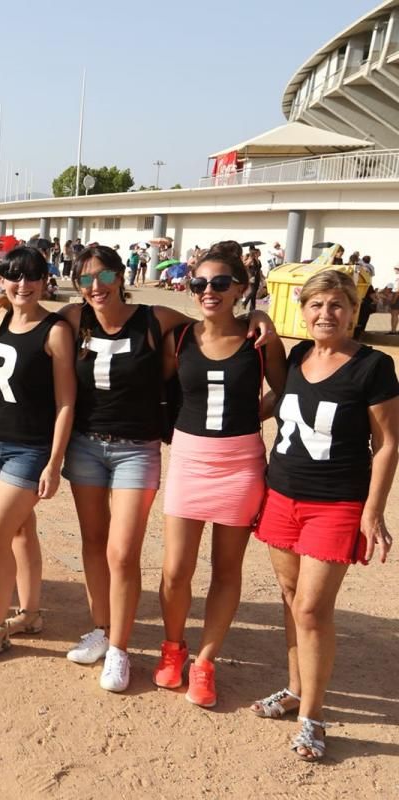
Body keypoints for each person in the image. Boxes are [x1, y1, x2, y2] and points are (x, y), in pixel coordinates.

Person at [0, 243, 276, 692]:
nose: (97, 287)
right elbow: (32, 306)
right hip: (87, 447)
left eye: (106, 277)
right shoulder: (75, 319)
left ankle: (119, 648)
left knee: (122, 552)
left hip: (137, 449)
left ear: (121, 278)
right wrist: (0, 298)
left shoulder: (156, 319)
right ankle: (101, 629)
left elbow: (210, 325)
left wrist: (257, 318)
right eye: (87, 279)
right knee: (93, 544)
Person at [249, 269, 398, 761]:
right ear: (304, 311)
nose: (325, 314)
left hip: (335, 503)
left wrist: (372, 511)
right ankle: (294, 690)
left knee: (312, 609)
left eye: (336, 305)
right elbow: (282, 404)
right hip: (282, 494)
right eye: (316, 305)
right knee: (291, 598)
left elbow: (388, 443)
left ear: (353, 312)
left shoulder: (373, 366)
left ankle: (313, 717)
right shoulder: (297, 356)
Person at [155, 249, 287, 707]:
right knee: (176, 569)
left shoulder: (260, 338)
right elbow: (159, 383)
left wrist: (261, 410)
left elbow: (284, 388)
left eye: (220, 283)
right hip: (191, 461)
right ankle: (174, 647)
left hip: (240, 465)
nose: (208, 292)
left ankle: (206, 662)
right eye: (200, 284)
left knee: (226, 570)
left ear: (240, 288)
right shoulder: (181, 337)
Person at [0, 248, 75, 662]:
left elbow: (66, 402)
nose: (22, 284)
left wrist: (55, 462)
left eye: (32, 277)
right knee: (22, 530)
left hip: (30, 449)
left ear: (46, 280)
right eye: (13, 276)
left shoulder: (56, 330)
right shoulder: (2, 317)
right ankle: (29, 614)